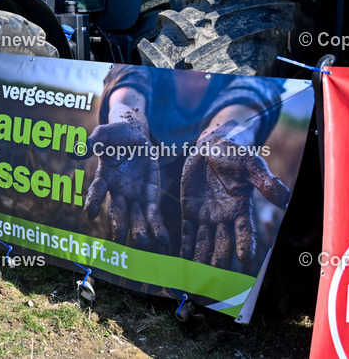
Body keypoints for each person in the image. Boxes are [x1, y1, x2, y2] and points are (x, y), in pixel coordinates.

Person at [83, 65, 290, 271]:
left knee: (225, 262)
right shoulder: (149, 47)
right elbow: (128, 78)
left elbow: (253, 89)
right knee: (128, 241)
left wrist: (221, 140)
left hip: (213, 182)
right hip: (140, 170)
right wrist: (126, 121)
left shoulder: (258, 52)